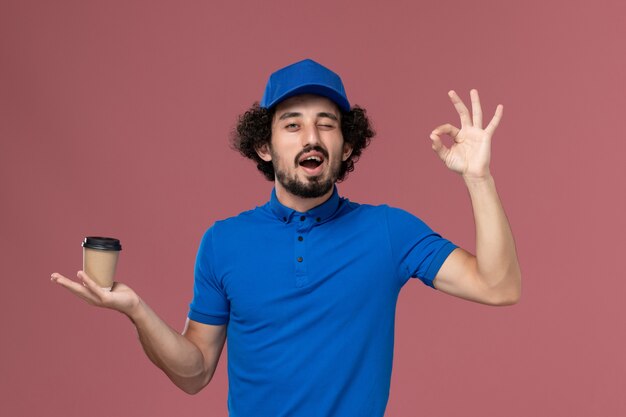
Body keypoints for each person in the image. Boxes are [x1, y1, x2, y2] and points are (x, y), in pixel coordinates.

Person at [51, 58, 521, 417]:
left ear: (347, 145)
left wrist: (478, 178)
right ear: (264, 145)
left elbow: (498, 287)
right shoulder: (223, 242)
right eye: (292, 124)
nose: (310, 137)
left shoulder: (388, 231)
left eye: (327, 124)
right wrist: (136, 311)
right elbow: (194, 373)